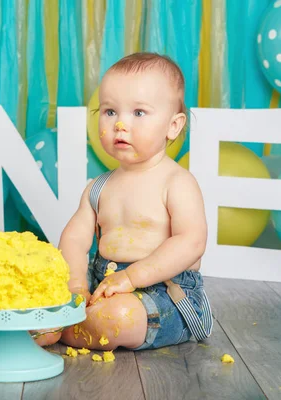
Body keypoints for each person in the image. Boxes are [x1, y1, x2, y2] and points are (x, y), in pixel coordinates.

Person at [34, 52, 212, 351]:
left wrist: (132, 276)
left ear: (173, 126)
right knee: (41, 293)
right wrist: (76, 285)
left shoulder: (177, 183)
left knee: (120, 316)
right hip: (100, 284)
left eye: (139, 113)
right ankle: (69, 318)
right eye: (110, 112)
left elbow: (191, 242)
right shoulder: (99, 187)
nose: (120, 124)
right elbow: (75, 239)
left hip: (164, 293)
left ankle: (66, 328)